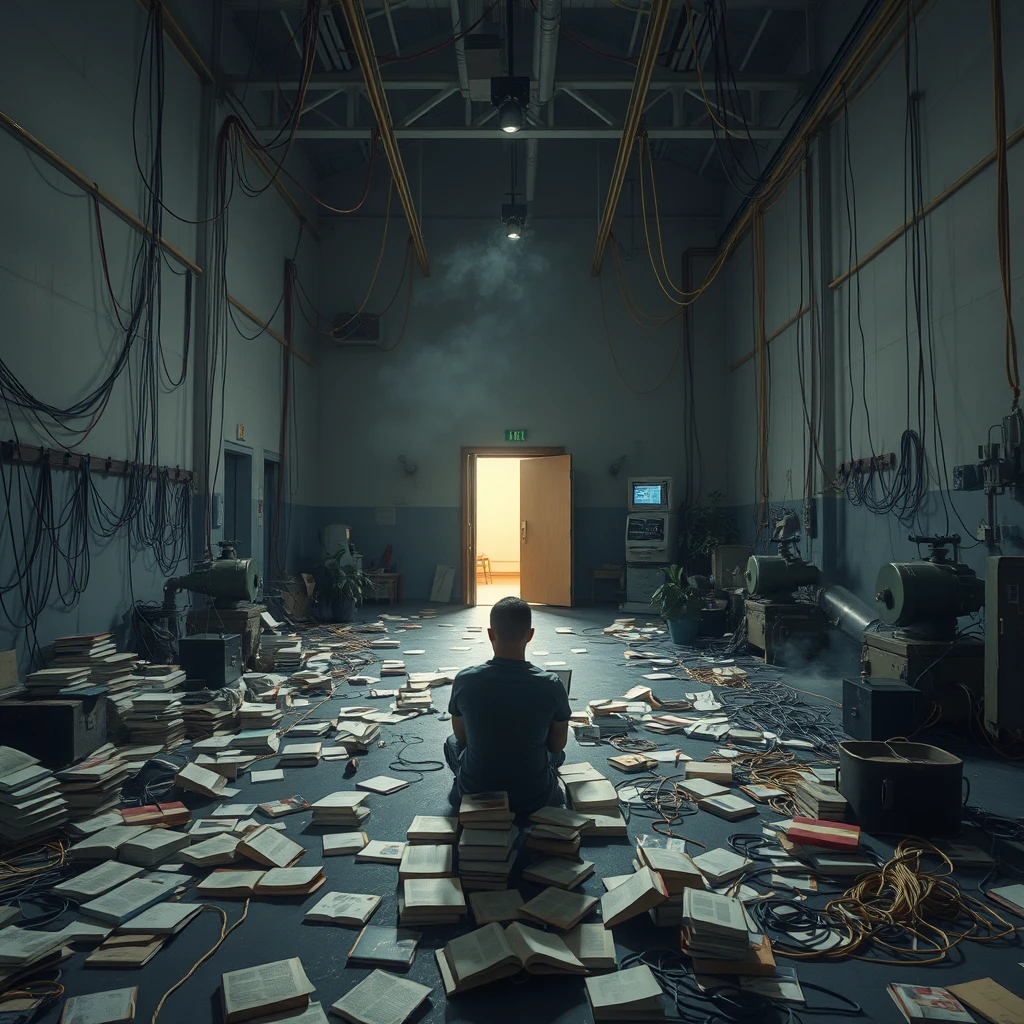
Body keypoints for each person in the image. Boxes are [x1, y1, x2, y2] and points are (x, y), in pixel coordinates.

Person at [444, 596, 571, 814]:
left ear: (491, 634)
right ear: (530, 635)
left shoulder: (465, 679)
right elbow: (556, 746)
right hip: (534, 796)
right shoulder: (551, 684)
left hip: (474, 792)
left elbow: (462, 737)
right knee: (557, 755)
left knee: (451, 743)